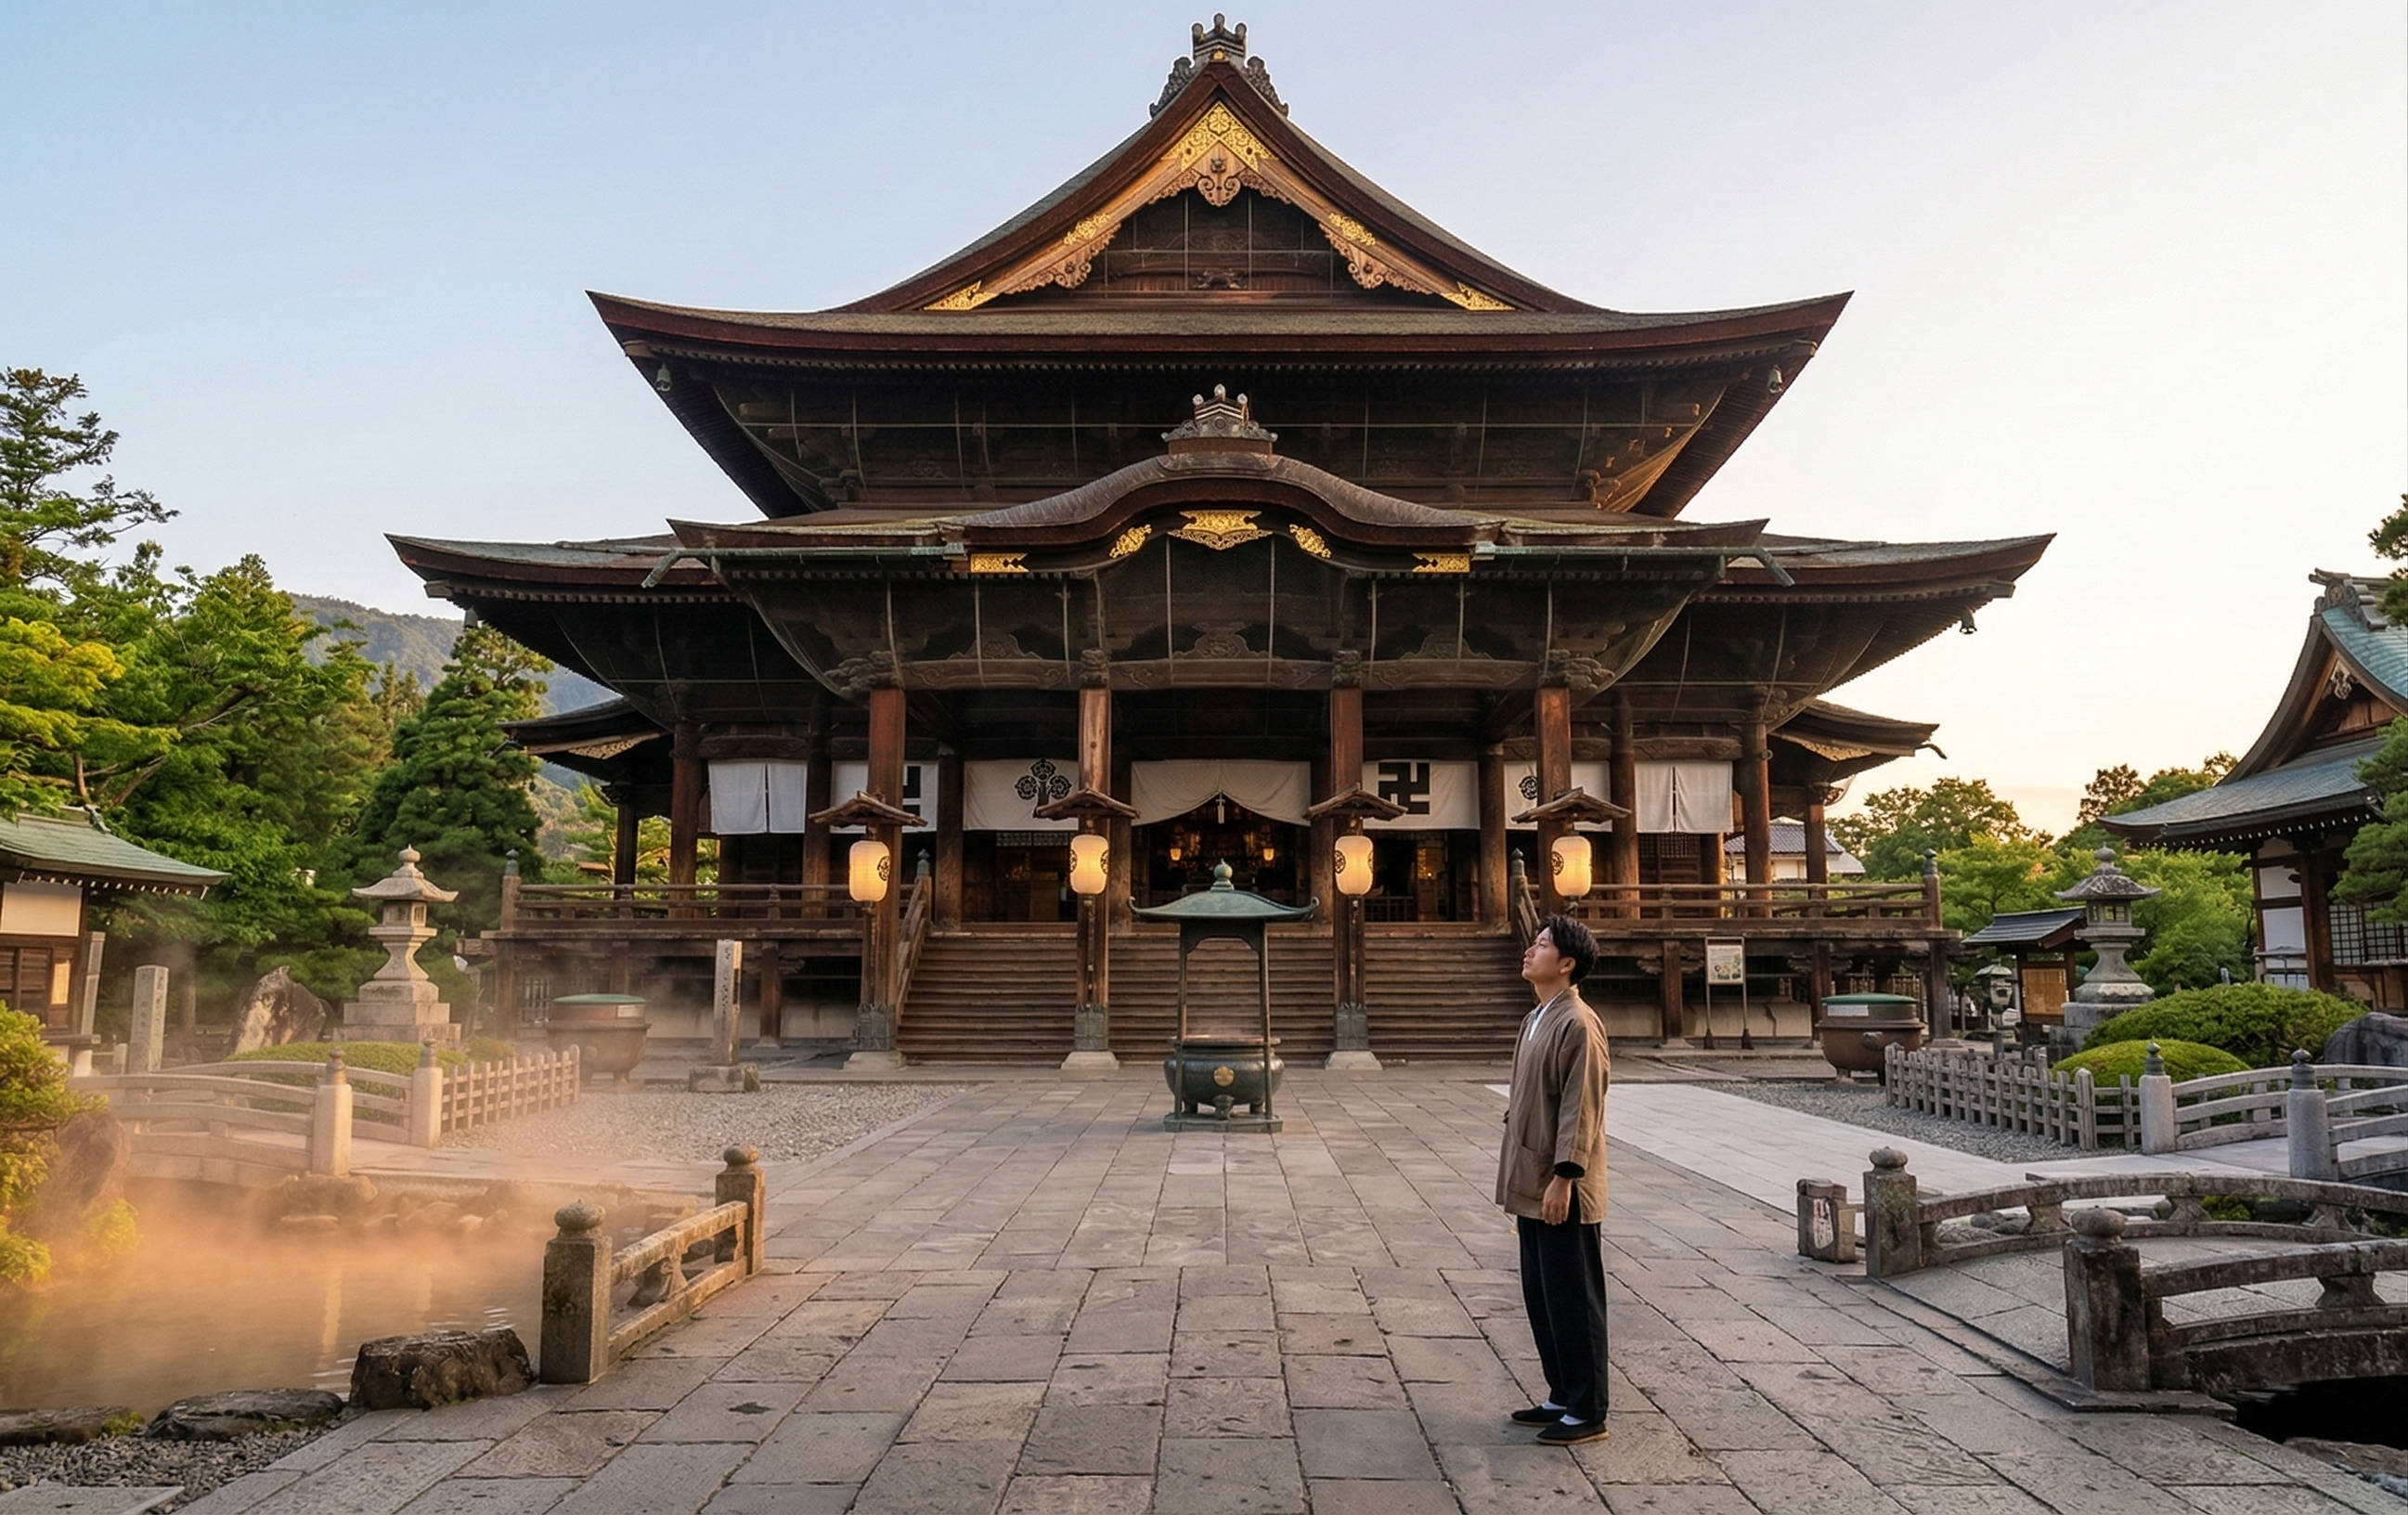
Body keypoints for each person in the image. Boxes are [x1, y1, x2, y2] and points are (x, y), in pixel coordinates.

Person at [1495, 913, 1611, 1445]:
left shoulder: (1577, 1022)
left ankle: (1587, 1409)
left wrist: (1565, 1176)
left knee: (1573, 1295)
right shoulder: (1537, 1016)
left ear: (1566, 964)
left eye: (1540, 945)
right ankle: (1561, 1393)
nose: (1529, 950)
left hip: (1563, 1184)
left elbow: (1579, 1108)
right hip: (1531, 1176)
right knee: (1542, 1293)